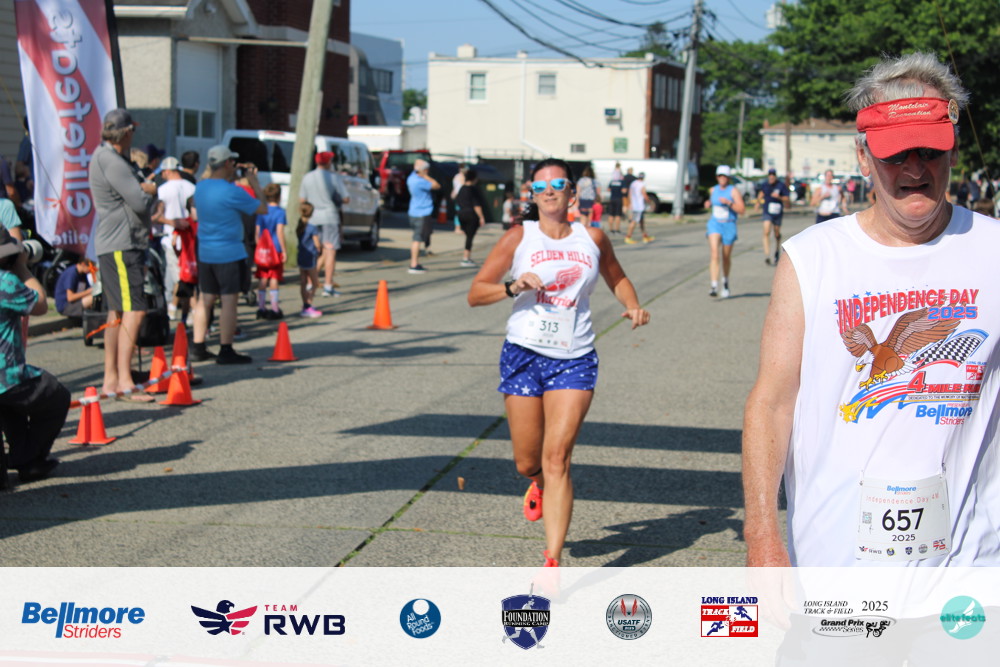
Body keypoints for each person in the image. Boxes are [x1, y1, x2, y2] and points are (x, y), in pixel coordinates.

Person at [743, 52, 1000, 568]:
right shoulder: (812, 258)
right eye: (895, 154)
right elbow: (772, 403)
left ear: (952, 151)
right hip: (837, 561)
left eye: (929, 150)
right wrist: (762, 537)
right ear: (864, 158)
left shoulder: (992, 248)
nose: (914, 169)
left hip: (970, 567)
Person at [467, 157, 650, 568]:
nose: (548, 191)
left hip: (574, 357)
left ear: (572, 192)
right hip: (523, 354)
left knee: (557, 458)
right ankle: (536, 483)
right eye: (540, 186)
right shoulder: (519, 237)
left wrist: (633, 304)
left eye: (557, 184)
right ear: (531, 195)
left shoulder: (593, 238)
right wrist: (513, 286)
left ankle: (552, 561)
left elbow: (617, 277)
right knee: (528, 462)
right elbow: (476, 293)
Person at [88, 108, 157, 402]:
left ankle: (112, 380)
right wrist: (150, 189)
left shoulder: (108, 157)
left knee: (117, 312)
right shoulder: (111, 160)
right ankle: (124, 382)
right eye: (133, 131)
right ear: (126, 132)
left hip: (117, 242)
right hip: (122, 244)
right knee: (134, 309)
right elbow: (140, 202)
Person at [0, 228, 69, 482]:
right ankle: (29, 458)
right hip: (6, 374)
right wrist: (22, 267)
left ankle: (25, 461)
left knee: (11, 406)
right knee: (56, 395)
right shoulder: (6, 282)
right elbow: (40, 304)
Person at [190, 145, 266, 364]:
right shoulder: (232, 191)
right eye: (232, 162)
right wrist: (254, 182)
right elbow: (262, 208)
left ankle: (198, 346)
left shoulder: (201, 187)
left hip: (206, 251)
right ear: (227, 163)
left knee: (205, 299)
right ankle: (226, 348)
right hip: (229, 252)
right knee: (229, 301)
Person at [299, 151, 349, 297]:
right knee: (330, 251)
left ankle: (311, 281)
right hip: (330, 217)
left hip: (313, 218)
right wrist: (336, 199)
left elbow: (302, 200)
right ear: (328, 162)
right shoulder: (334, 177)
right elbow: (346, 198)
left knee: (316, 251)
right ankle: (328, 286)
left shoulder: (307, 177)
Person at [154, 156, 195, 321]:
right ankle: (186, 313)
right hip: (190, 239)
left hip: (171, 238)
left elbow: (158, 216)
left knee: (180, 278)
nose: (162, 175)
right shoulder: (191, 187)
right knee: (188, 276)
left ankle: (177, 310)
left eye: (162, 172)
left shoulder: (163, 189)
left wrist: (172, 222)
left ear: (167, 171)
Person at [704, 165, 744, 298]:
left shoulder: (733, 191)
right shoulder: (713, 190)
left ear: (728, 178)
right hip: (714, 224)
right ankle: (714, 285)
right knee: (714, 254)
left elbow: (742, 210)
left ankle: (725, 282)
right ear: (717, 177)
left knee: (725, 257)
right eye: (720, 176)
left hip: (729, 224)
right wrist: (708, 203)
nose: (722, 178)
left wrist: (729, 203)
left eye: (725, 176)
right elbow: (711, 202)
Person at [254, 183, 287, 320]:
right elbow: (279, 232)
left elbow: (257, 232)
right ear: (279, 196)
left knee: (263, 277)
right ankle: (274, 307)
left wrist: (259, 246)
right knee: (274, 277)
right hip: (275, 248)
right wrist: (284, 250)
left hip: (263, 249)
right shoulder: (280, 212)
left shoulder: (261, 211)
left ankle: (261, 307)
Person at [406, 158, 439, 273]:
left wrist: (419, 167)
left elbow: (417, 167)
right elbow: (436, 186)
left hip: (413, 211)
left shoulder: (411, 178)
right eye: (427, 170)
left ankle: (416, 262)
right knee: (417, 239)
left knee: (418, 237)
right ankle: (414, 264)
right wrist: (426, 176)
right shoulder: (420, 181)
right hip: (422, 213)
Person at [755, 168, 790, 266]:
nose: (771, 177)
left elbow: (787, 198)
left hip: (777, 212)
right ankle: (767, 255)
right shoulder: (765, 185)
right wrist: (757, 203)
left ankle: (777, 250)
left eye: (773, 175)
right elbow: (761, 193)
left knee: (776, 233)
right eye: (770, 175)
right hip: (767, 211)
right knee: (766, 231)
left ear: (775, 176)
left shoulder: (781, 185)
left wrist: (779, 197)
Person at [454, 168, 487, 267]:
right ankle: (466, 258)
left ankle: (466, 256)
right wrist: (481, 217)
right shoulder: (473, 189)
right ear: (474, 179)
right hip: (471, 215)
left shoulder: (461, 188)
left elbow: (456, 199)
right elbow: (476, 205)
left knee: (467, 235)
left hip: (461, 214)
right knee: (470, 237)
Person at [296, 202, 322, 318]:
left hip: (301, 256)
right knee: (315, 282)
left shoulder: (299, 226)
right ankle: (308, 304)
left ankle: (305, 303)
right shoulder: (312, 228)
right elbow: (317, 243)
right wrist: (320, 249)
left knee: (303, 282)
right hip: (310, 257)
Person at [623, 172, 653, 244]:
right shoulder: (642, 184)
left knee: (641, 221)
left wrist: (630, 203)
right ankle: (628, 237)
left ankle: (645, 236)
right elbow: (644, 194)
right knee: (634, 221)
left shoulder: (633, 183)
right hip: (639, 206)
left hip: (634, 205)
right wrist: (649, 201)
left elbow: (629, 194)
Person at [606, 167, 625, 234]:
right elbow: (624, 190)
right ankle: (617, 229)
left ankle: (611, 229)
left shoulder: (612, 181)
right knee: (618, 215)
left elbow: (608, 189)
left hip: (612, 199)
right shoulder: (621, 182)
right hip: (618, 199)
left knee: (611, 214)